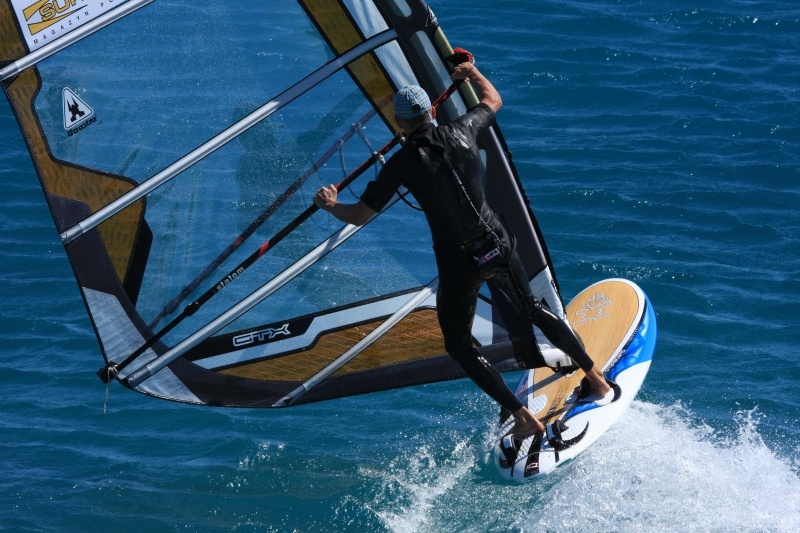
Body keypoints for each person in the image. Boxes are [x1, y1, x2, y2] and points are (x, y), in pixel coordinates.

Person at [313, 62, 613, 440]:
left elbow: (359, 215)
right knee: (533, 309)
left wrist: (330, 205)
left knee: (459, 345)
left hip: (460, 262)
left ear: (399, 123)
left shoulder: (402, 164)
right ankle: (597, 380)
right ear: (431, 111)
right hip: (497, 243)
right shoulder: (463, 129)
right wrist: (471, 72)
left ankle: (524, 418)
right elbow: (493, 99)